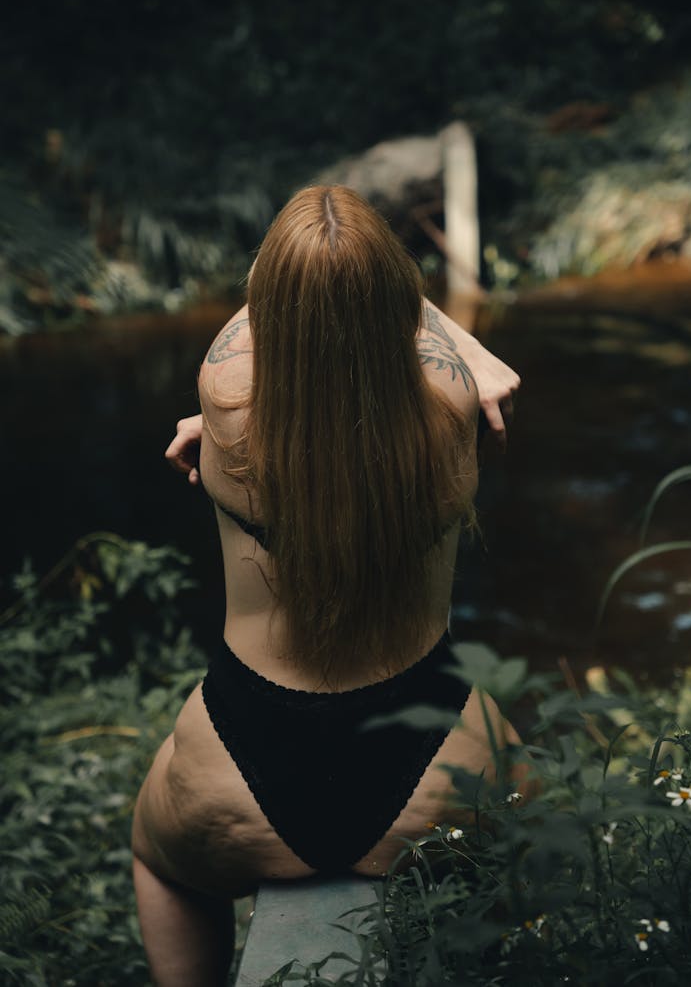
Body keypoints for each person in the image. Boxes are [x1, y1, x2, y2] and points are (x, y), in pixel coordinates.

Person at [132, 185, 520, 987]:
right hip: (436, 757)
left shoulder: (224, 394)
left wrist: (212, 437)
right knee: (531, 815)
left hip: (238, 767)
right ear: (396, 305)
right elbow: (432, 337)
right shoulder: (449, 407)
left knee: (158, 858)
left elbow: (297, 326)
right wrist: (474, 353)